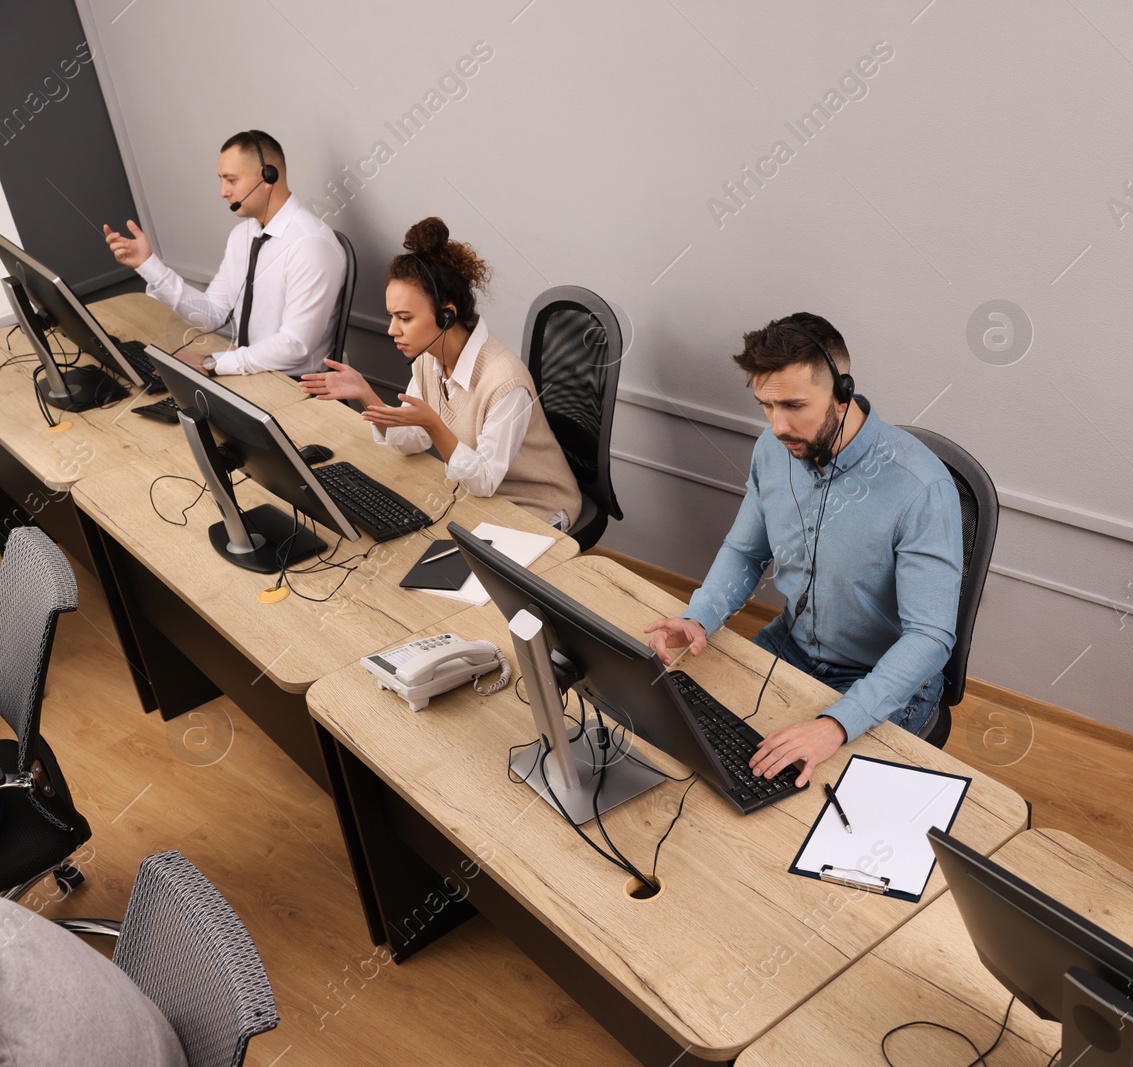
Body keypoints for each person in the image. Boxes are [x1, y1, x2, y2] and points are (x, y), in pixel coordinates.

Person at [642, 312, 962, 786]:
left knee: (796, 791)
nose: (777, 426)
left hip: (880, 676)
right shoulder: (773, 450)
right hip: (792, 643)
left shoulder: (921, 488)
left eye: (794, 405)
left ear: (842, 391)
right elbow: (746, 551)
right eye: (766, 407)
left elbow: (929, 637)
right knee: (690, 733)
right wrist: (700, 614)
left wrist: (836, 724)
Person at [300, 217, 580, 531]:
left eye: (404, 318)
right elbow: (411, 441)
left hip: (537, 509)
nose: (393, 330)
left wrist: (433, 423)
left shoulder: (505, 381)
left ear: (446, 315)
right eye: (391, 316)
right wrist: (367, 394)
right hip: (481, 501)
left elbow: (484, 480)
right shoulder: (427, 359)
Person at [102, 129, 345, 377]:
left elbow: (296, 345)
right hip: (247, 374)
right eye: (221, 179)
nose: (223, 192)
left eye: (231, 180)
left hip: (296, 387)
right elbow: (212, 314)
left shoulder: (310, 244)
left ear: (268, 176)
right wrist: (148, 264)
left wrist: (211, 363)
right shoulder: (242, 235)